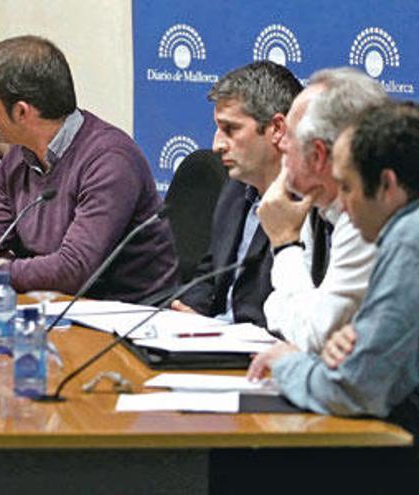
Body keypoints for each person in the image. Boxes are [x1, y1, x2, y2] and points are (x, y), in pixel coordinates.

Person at [0, 35, 177, 302]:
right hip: (55, 309)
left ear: (22, 111)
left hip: (129, 320)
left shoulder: (110, 161)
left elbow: (73, 269)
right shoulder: (17, 159)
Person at [248, 101, 419, 428]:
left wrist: (290, 363)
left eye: (347, 187)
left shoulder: (408, 241)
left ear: (388, 185)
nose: (340, 202)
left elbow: (353, 388)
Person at [257, 68, 385, 352]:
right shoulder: (315, 203)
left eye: (288, 135)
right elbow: (278, 313)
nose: (279, 143)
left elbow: (318, 335)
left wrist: (285, 244)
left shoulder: (369, 219)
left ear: (317, 155)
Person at [172, 61, 301, 326]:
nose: (217, 144)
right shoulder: (236, 186)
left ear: (277, 129)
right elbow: (210, 273)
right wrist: (188, 314)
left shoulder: (308, 206)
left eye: (230, 129)